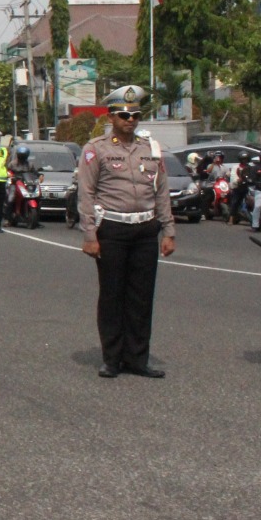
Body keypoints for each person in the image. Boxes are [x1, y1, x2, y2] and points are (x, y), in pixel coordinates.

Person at [77, 85, 176, 379]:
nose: (130, 120)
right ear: (111, 117)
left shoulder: (151, 150)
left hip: (145, 230)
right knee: (112, 295)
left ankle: (137, 358)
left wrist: (168, 230)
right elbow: (86, 194)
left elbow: (161, 192)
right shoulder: (96, 149)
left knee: (141, 297)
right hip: (113, 230)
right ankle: (112, 358)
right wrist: (89, 235)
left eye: (135, 115)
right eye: (124, 114)